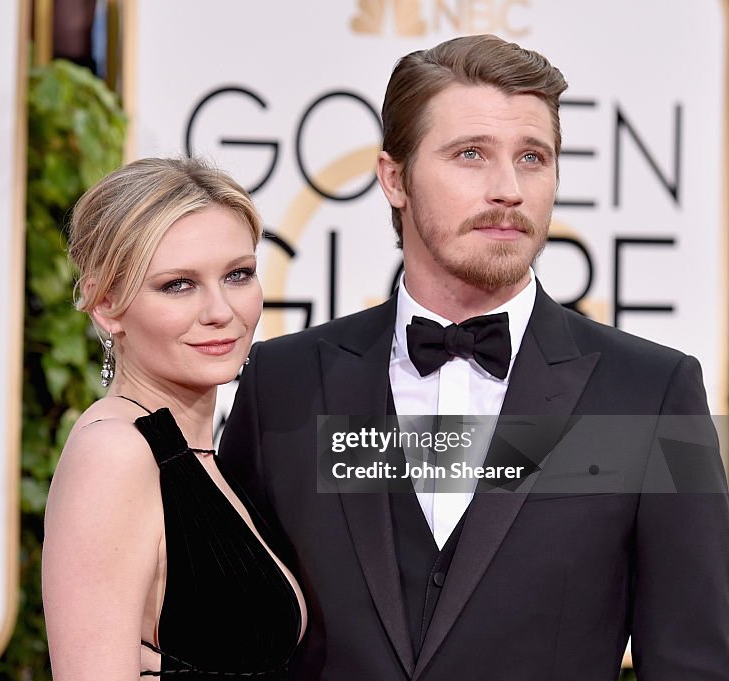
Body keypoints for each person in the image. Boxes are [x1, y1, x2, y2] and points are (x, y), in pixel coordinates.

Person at [220, 34, 729, 680]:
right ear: (394, 178)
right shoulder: (283, 385)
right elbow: (228, 641)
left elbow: (697, 663)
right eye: (471, 155)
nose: (508, 189)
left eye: (532, 158)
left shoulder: (656, 394)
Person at [42, 157, 307, 680]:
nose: (219, 310)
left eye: (238, 275)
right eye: (178, 285)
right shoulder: (116, 452)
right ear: (108, 305)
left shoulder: (206, 457)